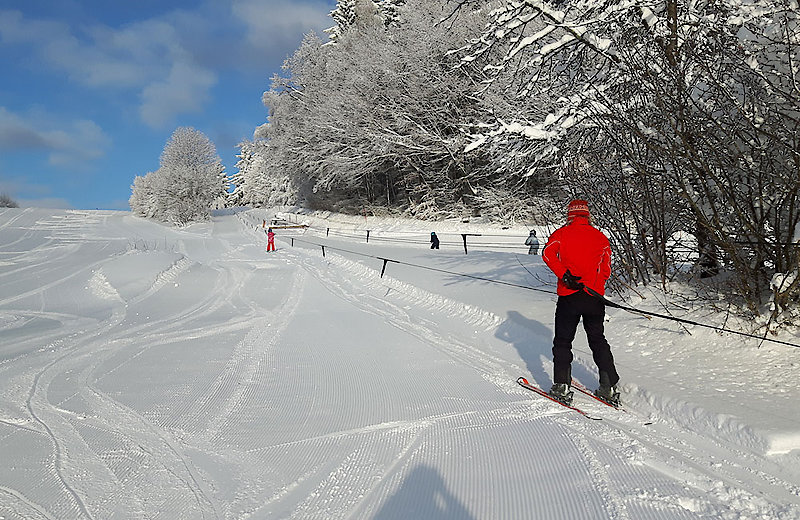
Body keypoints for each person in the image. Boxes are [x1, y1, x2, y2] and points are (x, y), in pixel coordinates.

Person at [541, 199, 620, 407]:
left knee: (563, 341)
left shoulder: (561, 234)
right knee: (597, 339)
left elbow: (547, 254)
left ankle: (562, 385)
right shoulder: (601, 237)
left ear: (570, 215)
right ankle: (609, 386)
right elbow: (606, 270)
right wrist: (596, 284)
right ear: (587, 215)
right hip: (594, 297)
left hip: (569, 296)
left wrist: (564, 275)